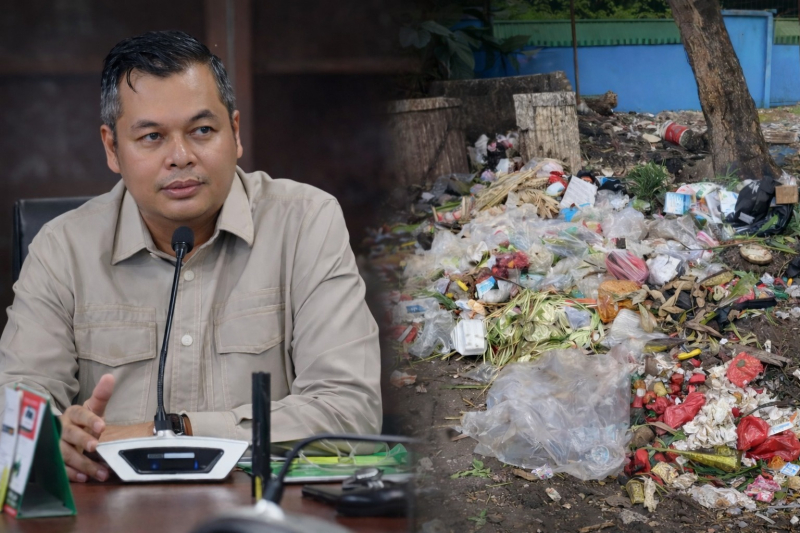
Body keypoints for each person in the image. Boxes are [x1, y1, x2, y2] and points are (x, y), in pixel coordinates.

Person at [0, 31, 382, 483]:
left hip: (260, 507)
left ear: (234, 133)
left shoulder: (304, 223)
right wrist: (53, 434)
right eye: (151, 137)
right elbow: (14, 408)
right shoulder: (62, 247)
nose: (180, 157)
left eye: (202, 131)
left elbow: (350, 411)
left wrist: (170, 433)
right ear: (112, 148)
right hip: (108, 507)